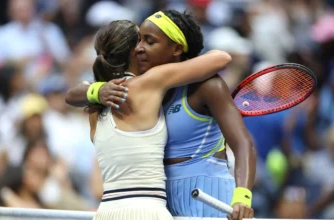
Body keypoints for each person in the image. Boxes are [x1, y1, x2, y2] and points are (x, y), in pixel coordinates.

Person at [66, 10, 256, 219]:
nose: (138, 48)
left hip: (209, 196)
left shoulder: (208, 86)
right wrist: (98, 90)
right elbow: (74, 94)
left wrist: (243, 197)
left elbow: (243, 143)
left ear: (176, 48)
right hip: (163, 204)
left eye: (149, 41)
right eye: (138, 41)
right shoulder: (143, 90)